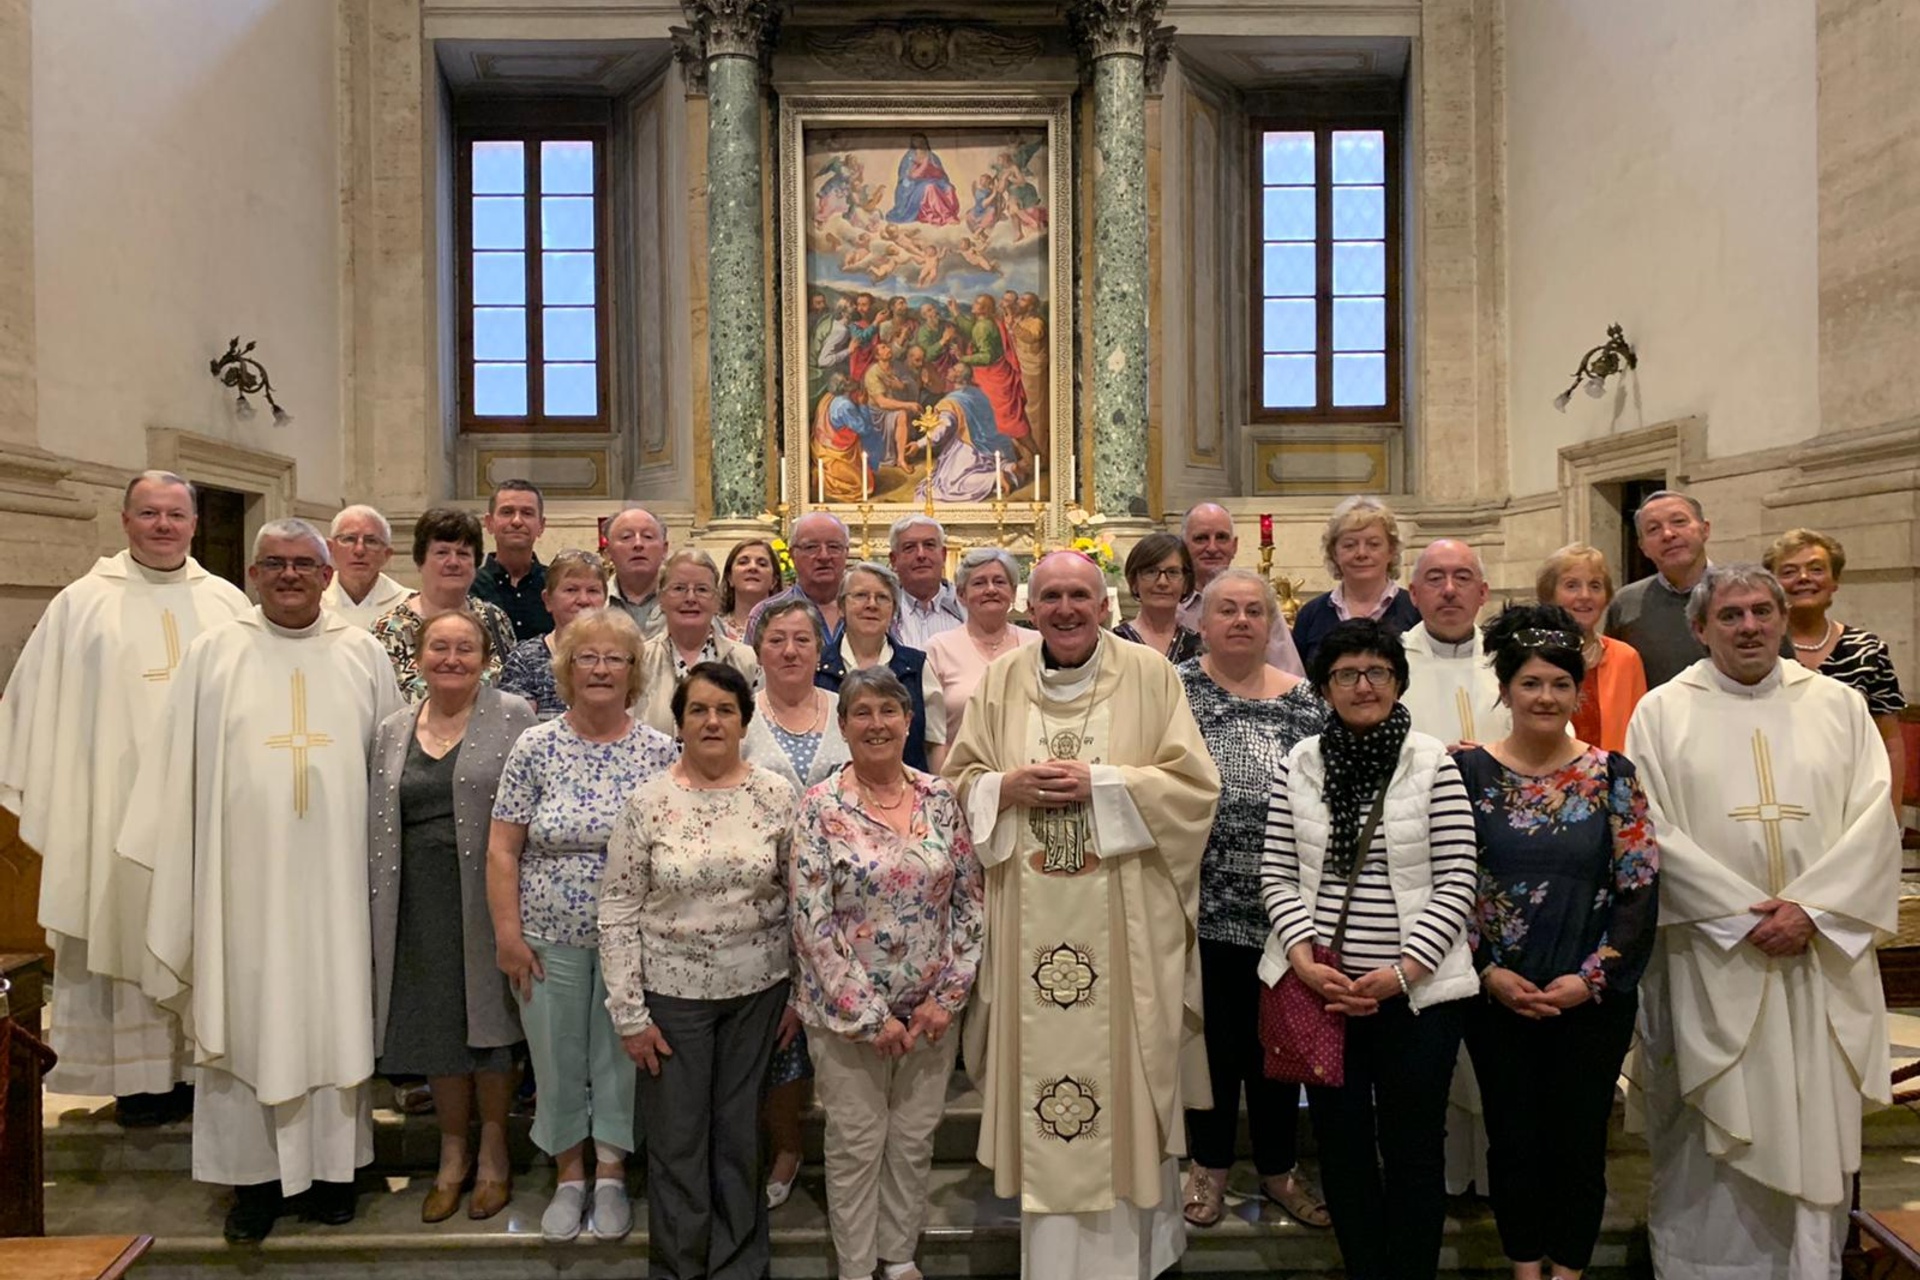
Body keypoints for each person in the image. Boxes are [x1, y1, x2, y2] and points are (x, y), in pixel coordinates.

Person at [121, 519, 404, 1243]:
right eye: (275, 564)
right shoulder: (215, 655)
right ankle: (253, 1180)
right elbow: (175, 774)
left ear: (324, 575)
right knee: (248, 1012)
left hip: (338, 885)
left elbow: (391, 773)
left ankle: (336, 1172)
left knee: (333, 1008)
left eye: (303, 564)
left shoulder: (363, 655)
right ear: (253, 574)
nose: (289, 576)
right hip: (239, 886)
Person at [944, 550, 1222, 1280]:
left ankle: (1138, 1260)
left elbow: (1195, 790)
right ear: (1030, 608)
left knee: (1130, 1090)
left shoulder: (1151, 675)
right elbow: (960, 781)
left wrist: (1100, 783)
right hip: (1028, 924)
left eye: (1080, 595)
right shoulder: (1001, 681)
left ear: (1105, 606)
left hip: (1126, 925)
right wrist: (1006, 786)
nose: (1065, 609)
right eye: (1052, 596)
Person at [1627, 565, 1901, 1280]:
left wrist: (1812, 908)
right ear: (1699, 629)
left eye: (1760, 612)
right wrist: (1735, 916)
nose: (1748, 627)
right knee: (1708, 1131)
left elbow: (1876, 815)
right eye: (1730, 616)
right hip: (1712, 958)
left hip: (1818, 955)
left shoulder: (1839, 705)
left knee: (1813, 1116)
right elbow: (1648, 826)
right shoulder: (1661, 712)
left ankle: (1810, 1267)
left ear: (1783, 620)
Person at [0, 471, 248, 1125]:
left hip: (201, 813)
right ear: (125, 520)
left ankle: (201, 1070)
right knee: (121, 923)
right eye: (149, 514)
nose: (163, 526)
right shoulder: (82, 605)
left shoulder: (226, 604)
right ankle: (136, 1080)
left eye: (175, 515)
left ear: (194, 524)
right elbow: (36, 706)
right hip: (110, 811)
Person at [1259, 618, 1479, 1280]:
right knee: (1342, 1145)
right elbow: (1277, 870)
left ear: (1397, 682)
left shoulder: (1432, 762)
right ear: (1325, 689)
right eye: (1346, 674)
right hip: (1323, 991)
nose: (1363, 685)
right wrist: (1303, 956)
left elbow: (1458, 876)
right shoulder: (1299, 762)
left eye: (1377, 672)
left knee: (1414, 1147)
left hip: (1418, 998)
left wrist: (1403, 972)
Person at [1457, 605, 1660, 1280]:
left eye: (1559, 685)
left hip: (1591, 998)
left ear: (1577, 694)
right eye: (1531, 684)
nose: (1546, 697)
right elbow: (1447, 883)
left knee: (1578, 1143)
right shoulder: (1468, 775)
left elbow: (1639, 888)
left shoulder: (1614, 775)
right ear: (1506, 691)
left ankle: (1568, 1269)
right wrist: (1487, 971)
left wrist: (1594, 975)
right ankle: (1522, 1267)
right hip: (1497, 994)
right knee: (1512, 1141)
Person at [487, 607, 678, 1243]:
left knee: (621, 1058)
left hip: (636, 941)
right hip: (546, 936)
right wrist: (508, 935)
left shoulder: (658, 750)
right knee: (558, 1055)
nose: (600, 669)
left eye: (614, 659)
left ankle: (614, 1172)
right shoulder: (535, 745)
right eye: (587, 658)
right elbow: (502, 849)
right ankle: (570, 1174)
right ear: (567, 671)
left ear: (633, 673)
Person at [602, 662, 798, 1280]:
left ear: (744, 722)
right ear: (680, 721)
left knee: (739, 1135)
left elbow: (802, 897)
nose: (712, 721)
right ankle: (681, 1267)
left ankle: (741, 1263)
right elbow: (617, 907)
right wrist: (629, 1012)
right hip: (672, 995)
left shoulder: (775, 793)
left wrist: (799, 993)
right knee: (679, 1139)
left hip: (758, 992)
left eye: (726, 710)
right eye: (698, 710)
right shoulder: (649, 800)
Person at [791, 668, 986, 1280]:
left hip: (931, 1015)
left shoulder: (939, 797)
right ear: (843, 726)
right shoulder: (819, 806)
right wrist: (869, 1016)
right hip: (848, 1018)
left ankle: (899, 1258)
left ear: (908, 720)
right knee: (855, 1146)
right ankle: (854, 1268)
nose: (876, 724)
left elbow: (972, 902)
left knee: (913, 1140)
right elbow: (810, 919)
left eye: (888, 711)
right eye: (862, 713)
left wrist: (946, 999)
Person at [1174, 569, 1329, 1231]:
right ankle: (1206, 1169)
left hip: (1283, 913)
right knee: (1211, 1047)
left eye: (1254, 611)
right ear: (1201, 624)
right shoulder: (1172, 692)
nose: (1240, 621)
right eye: (1226, 610)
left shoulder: (1307, 702)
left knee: (1277, 1049)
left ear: (1272, 625)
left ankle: (1278, 1169)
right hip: (1197, 905)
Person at [367, 610, 533, 1223]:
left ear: (486, 656)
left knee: (490, 1024)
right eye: (440, 646)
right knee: (437, 1027)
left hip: (488, 894)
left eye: (466, 648)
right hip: (416, 898)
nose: (452, 658)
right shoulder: (392, 728)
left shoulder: (513, 715)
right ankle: (452, 1150)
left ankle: (493, 1150)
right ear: (419, 654)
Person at [1764, 527, 1907, 815]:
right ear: (1773, 584)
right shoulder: (1759, 648)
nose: (1804, 578)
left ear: (1835, 581)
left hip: (1854, 794)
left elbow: (1889, 743)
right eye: (1789, 571)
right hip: (1775, 796)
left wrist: (1890, 815)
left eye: (1816, 569)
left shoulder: (1867, 649)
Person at [1603, 490, 1747, 688]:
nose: (1668, 534)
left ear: (1705, 529)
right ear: (1643, 546)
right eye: (1653, 529)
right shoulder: (1626, 603)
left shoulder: (1745, 592)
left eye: (1679, 521)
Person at [371, 508, 517, 702]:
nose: (453, 562)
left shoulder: (494, 620)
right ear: (420, 561)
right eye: (442, 553)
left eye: (463, 554)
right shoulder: (388, 630)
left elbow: (514, 688)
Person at [817, 562, 946, 773]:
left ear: (894, 610)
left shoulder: (917, 667)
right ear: (841, 607)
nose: (871, 604)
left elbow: (934, 745)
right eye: (860, 596)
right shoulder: (818, 666)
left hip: (906, 795)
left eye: (882, 597)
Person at [1534, 543, 1647, 753]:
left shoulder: (1626, 658)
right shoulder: (1530, 654)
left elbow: (1640, 738)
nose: (1585, 595)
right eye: (1572, 585)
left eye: (1595, 586)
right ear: (1549, 595)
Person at [638, 548, 761, 736]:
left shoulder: (747, 660)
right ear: (661, 599)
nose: (690, 598)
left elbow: (757, 732)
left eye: (702, 590)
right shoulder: (639, 660)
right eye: (679, 588)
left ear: (716, 600)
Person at [1289, 496, 1421, 666]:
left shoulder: (1415, 609)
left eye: (1373, 544)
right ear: (1334, 553)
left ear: (1391, 550)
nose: (1361, 553)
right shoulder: (1311, 615)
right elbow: (1297, 681)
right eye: (1349, 545)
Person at [1176, 502, 1304, 675]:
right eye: (1201, 538)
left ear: (1234, 546)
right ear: (1184, 546)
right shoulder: (1171, 603)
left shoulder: (1258, 601)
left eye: (1221, 537)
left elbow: (1290, 673)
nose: (1212, 548)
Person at [924, 548, 1039, 739]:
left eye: (999, 582)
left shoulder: (1037, 644)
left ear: (1013, 592)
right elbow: (934, 735)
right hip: (962, 766)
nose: (991, 589)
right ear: (961, 595)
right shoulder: (939, 648)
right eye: (979, 583)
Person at [1401, 539, 1506, 750]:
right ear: (1413, 594)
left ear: (1483, 593)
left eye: (1462, 578)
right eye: (1435, 579)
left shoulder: (1508, 657)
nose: (1449, 590)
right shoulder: (1390, 662)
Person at [498, 549, 610, 719]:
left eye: (593, 591)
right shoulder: (524, 660)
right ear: (548, 600)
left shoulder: (620, 656)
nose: (583, 600)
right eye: (571, 590)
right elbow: (513, 727)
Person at [471, 479, 553, 641]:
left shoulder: (556, 586)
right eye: (507, 512)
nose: (516, 521)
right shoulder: (469, 586)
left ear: (541, 525)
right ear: (489, 523)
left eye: (527, 513)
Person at [749, 510, 850, 637]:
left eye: (834, 547)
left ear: (846, 552)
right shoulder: (766, 613)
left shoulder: (868, 609)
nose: (824, 556)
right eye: (811, 547)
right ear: (792, 555)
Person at [1114, 532, 1202, 664]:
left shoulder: (1199, 647)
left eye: (1173, 572)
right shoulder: (1113, 645)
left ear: (1186, 583)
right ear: (1134, 583)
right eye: (1151, 572)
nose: (1162, 582)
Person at [322, 504, 410, 628]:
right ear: (330, 548)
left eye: (371, 541)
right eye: (349, 539)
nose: (359, 550)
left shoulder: (407, 606)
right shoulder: (313, 602)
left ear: (387, 554)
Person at [889, 515, 966, 648]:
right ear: (894, 560)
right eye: (909, 547)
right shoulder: (882, 610)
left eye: (929, 545)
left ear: (943, 555)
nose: (921, 555)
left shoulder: (967, 606)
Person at [604, 506, 669, 638]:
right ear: (608, 552)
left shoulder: (685, 602)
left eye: (648, 536)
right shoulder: (596, 603)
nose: (638, 544)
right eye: (626, 537)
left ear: (665, 549)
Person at [720, 538, 784, 642]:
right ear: (729, 578)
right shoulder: (714, 630)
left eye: (762, 564)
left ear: (774, 581)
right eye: (743, 562)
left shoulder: (788, 628)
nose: (753, 567)